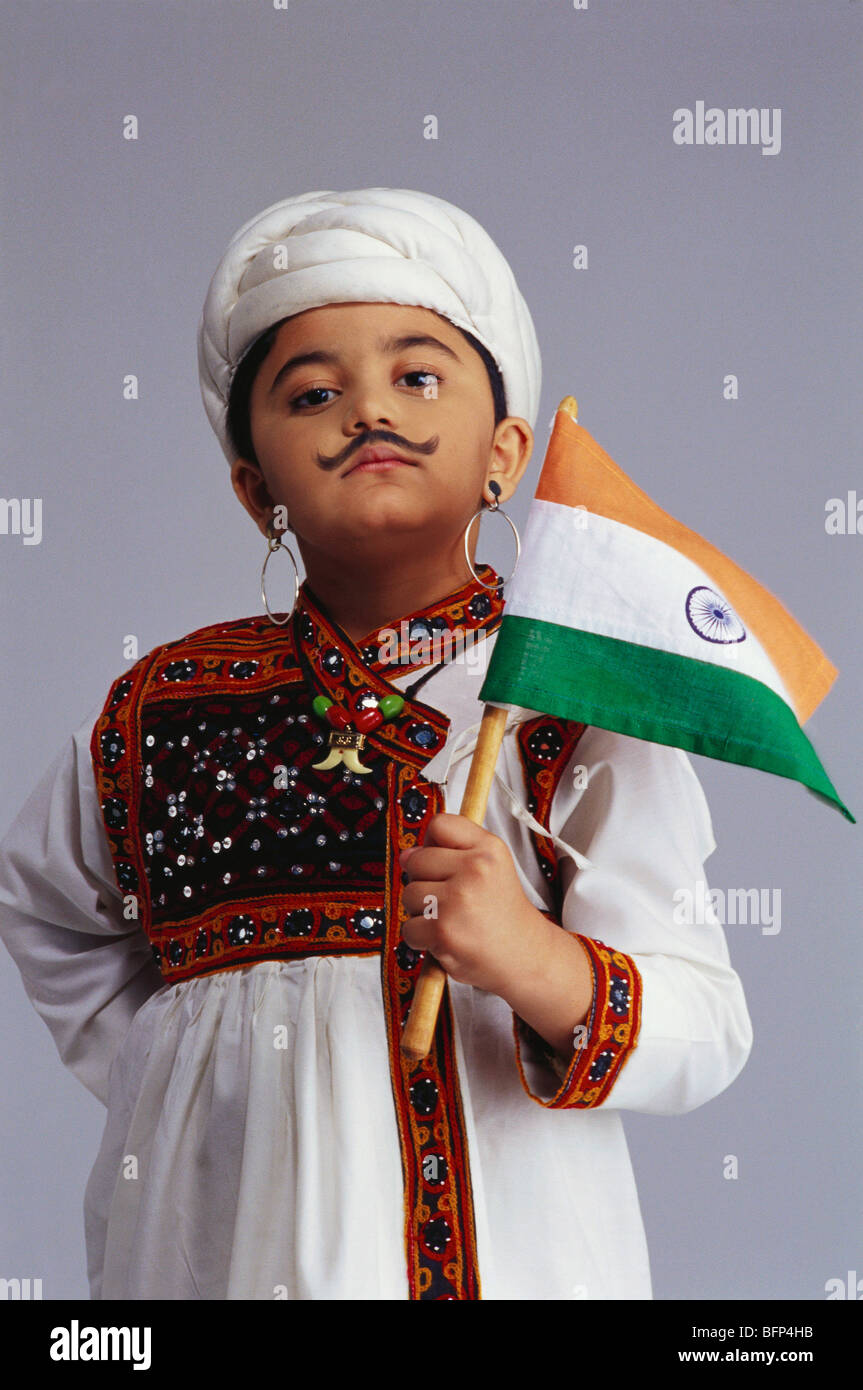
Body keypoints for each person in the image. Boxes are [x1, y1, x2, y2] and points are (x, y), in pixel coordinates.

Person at [0, 188, 753, 1300]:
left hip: (512, 1250)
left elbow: (705, 1024)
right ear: (257, 488)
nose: (367, 411)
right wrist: (188, 1077)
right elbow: (53, 912)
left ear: (502, 455)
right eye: (312, 391)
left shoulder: (566, 704)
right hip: (209, 1251)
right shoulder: (160, 707)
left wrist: (528, 957)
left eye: (416, 376)